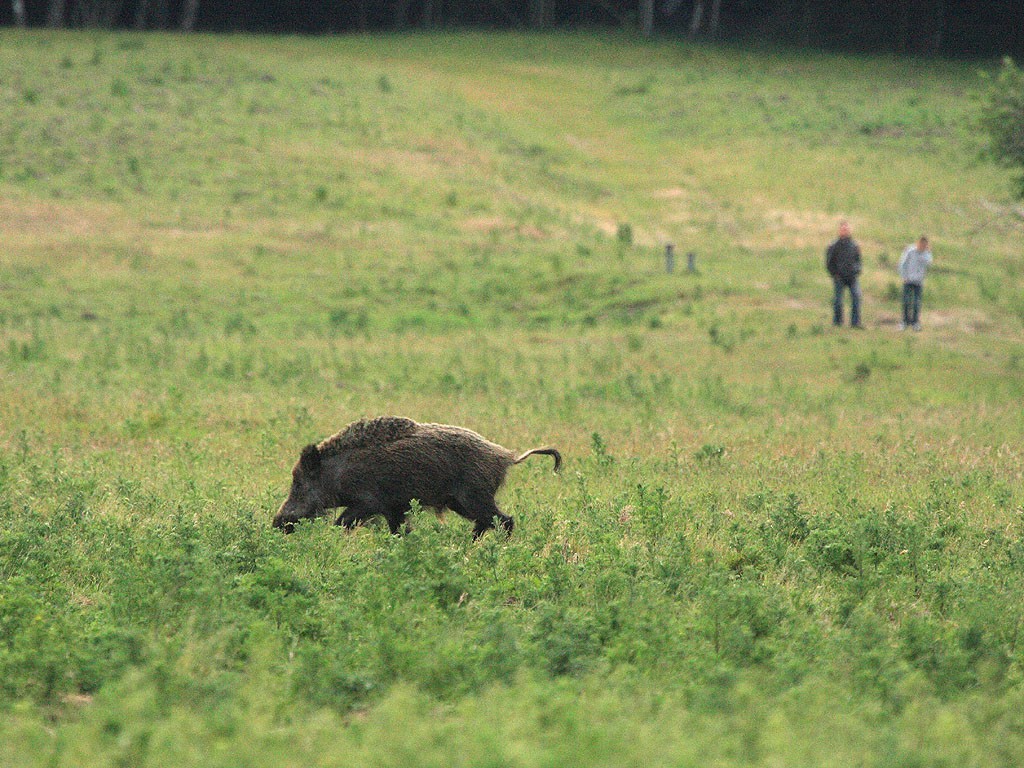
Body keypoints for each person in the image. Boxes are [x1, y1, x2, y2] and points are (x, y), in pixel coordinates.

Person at [826, 220, 863, 328]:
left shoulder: (854, 245)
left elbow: (858, 260)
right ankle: (837, 322)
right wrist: (834, 274)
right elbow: (829, 262)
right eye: (843, 229)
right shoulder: (833, 245)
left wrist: (857, 270)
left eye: (847, 229)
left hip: (852, 277)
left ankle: (855, 323)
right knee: (838, 301)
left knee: (856, 297)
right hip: (839, 277)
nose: (845, 231)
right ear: (839, 231)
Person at [898, 236, 932, 331]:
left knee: (917, 303)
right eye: (921, 244)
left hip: (918, 281)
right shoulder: (910, 251)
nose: (922, 247)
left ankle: (915, 322)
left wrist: (927, 252)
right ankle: (904, 321)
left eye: (925, 245)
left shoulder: (926, 253)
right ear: (918, 243)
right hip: (908, 280)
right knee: (906, 301)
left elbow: (929, 263)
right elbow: (902, 263)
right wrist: (903, 276)